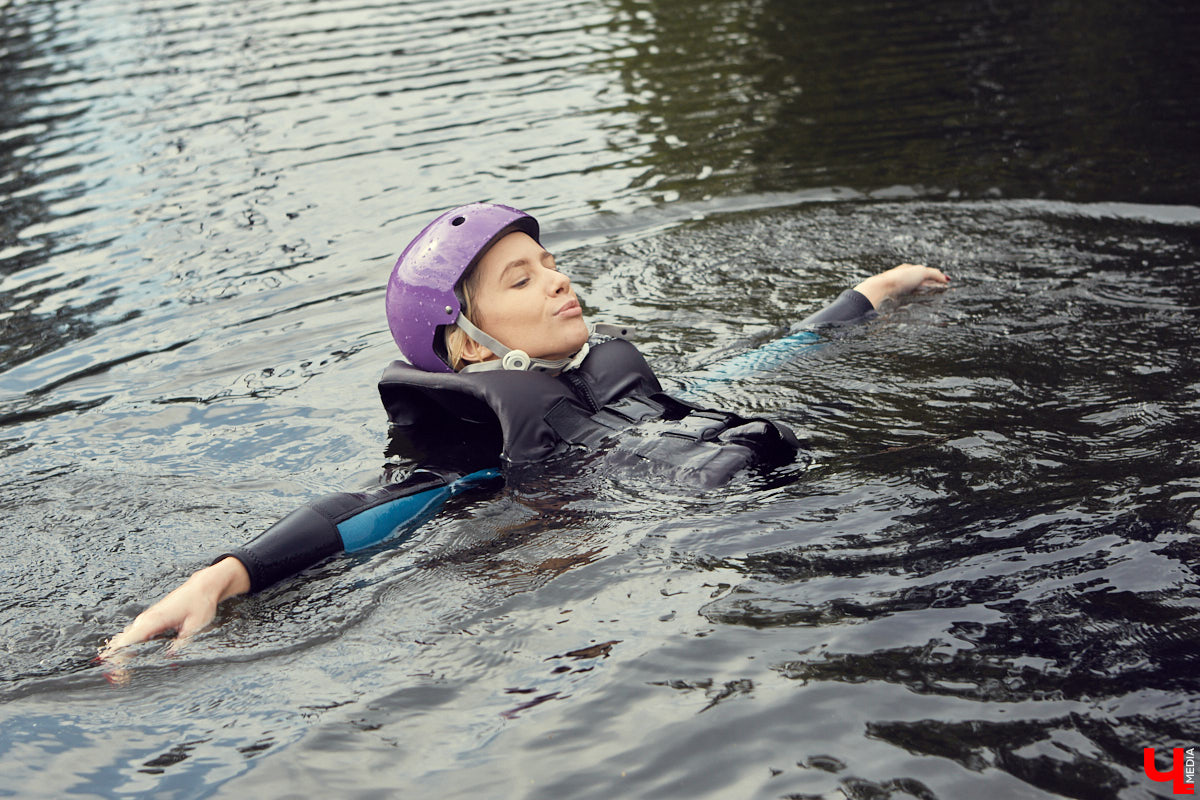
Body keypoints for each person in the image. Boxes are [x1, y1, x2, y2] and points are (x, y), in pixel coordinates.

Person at [101, 202, 948, 658]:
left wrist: (870, 295)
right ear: (470, 344)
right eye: (521, 279)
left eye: (550, 264)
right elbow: (361, 514)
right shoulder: (481, 454)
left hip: (756, 502)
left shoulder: (621, 386)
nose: (556, 281)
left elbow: (774, 356)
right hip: (713, 549)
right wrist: (225, 577)